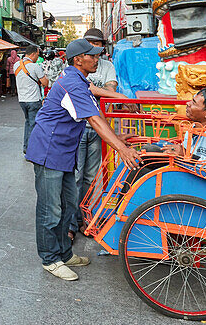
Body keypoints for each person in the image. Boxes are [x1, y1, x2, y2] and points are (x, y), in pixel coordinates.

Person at [26, 38, 139, 281]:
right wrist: (121, 148)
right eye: (93, 56)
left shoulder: (78, 79)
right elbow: (94, 119)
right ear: (78, 59)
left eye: (98, 56)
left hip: (64, 151)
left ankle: (65, 254)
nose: (97, 60)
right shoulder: (72, 83)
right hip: (49, 150)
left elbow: (95, 102)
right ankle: (50, 259)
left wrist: (120, 121)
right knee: (50, 210)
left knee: (69, 205)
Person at [70, 28, 119, 237]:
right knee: (75, 177)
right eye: (90, 45)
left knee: (91, 177)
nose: (95, 49)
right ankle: (71, 225)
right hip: (80, 128)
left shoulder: (106, 66)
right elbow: (91, 90)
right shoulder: (76, 71)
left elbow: (111, 91)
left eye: (97, 44)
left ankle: (85, 219)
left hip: (99, 128)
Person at [14, 43, 47, 158]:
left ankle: (26, 147)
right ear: (33, 54)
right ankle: (30, 151)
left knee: (28, 122)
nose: (38, 57)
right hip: (33, 100)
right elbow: (45, 83)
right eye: (37, 55)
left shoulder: (16, 65)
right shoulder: (35, 66)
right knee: (33, 125)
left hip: (22, 100)